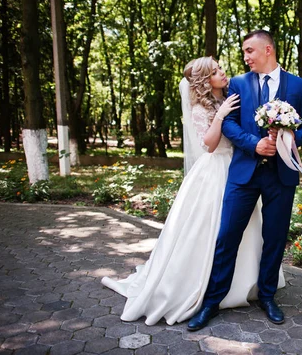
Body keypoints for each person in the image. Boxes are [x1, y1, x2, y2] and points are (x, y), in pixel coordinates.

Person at [101, 56, 285, 325]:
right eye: (216, 71)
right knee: (210, 231)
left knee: (246, 230)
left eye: (221, 68)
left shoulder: (234, 95)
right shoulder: (202, 108)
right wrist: (220, 116)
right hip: (215, 172)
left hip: (242, 169)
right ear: (204, 81)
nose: (223, 73)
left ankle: (247, 285)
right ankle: (206, 291)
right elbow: (209, 145)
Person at [187, 30, 302, 331]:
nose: (245, 58)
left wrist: (289, 137)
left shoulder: (298, 85)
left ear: (267, 49)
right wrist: (253, 144)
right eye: (244, 53)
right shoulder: (238, 84)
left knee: (274, 237)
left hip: (281, 174)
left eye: (249, 51)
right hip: (243, 173)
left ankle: (267, 296)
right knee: (227, 235)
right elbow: (227, 122)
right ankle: (211, 301)